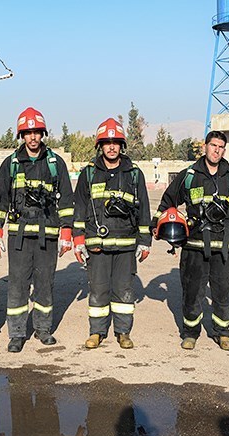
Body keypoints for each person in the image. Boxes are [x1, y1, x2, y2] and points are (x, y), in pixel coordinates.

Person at [152, 130, 229, 351]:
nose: (216, 150)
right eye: (213, 145)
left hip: (225, 249)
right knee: (192, 292)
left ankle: (222, 333)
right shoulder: (190, 175)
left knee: (223, 293)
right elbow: (168, 201)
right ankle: (191, 333)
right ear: (205, 147)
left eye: (221, 147)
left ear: (224, 150)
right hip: (195, 246)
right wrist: (157, 224)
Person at [0, 107, 75, 353]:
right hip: (19, 236)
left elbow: (66, 202)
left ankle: (43, 329)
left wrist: (66, 234)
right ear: (21, 136)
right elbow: (1, 201)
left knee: (45, 283)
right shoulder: (11, 164)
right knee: (17, 285)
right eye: (28, 133)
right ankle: (16, 333)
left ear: (43, 133)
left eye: (36, 132)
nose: (33, 137)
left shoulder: (55, 163)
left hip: (47, 234)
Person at [72, 118, 152, 349]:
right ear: (100, 146)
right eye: (106, 143)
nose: (111, 147)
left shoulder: (134, 175)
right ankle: (96, 332)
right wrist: (78, 241)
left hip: (126, 245)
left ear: (122, 145)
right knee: (97, 290)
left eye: (115, 142)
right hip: (97, 245)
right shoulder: (88, 174)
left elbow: (144, 209)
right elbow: (78, 209)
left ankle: (123, 332)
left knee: (124, 291)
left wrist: (144, 242)